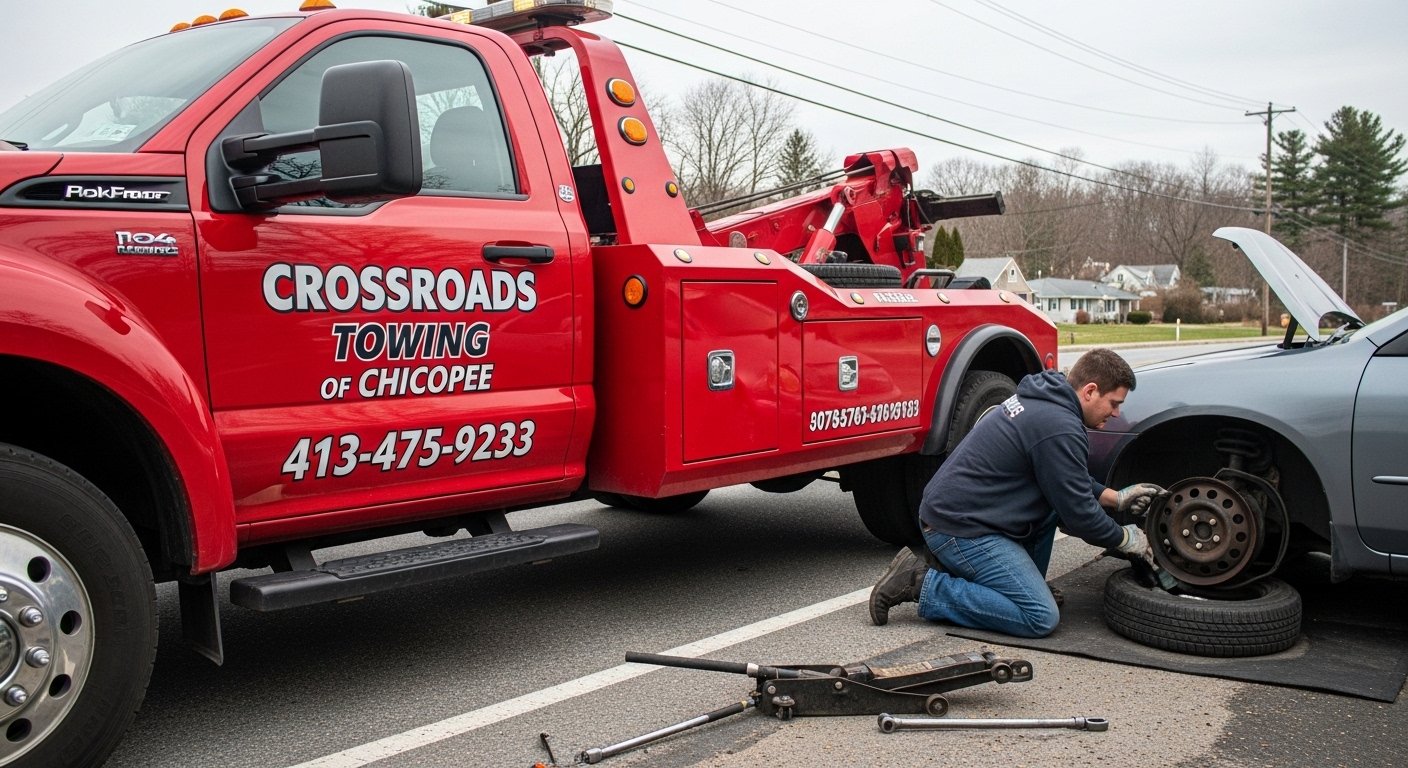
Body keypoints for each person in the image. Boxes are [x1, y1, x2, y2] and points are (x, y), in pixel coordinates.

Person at [868, 348, 1163, 637]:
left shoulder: (1047, 400)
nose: (1116, 412)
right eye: (1113, 403)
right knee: (1040, 616)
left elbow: (1063, 477)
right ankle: (920, 583)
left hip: (968, 513)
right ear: (1089, 391)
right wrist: (1126, 539)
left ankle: (1014, 586)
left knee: (1051, 505)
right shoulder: (1058, 425)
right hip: (959, 529)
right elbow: (1080, 516)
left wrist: (1114, 496)